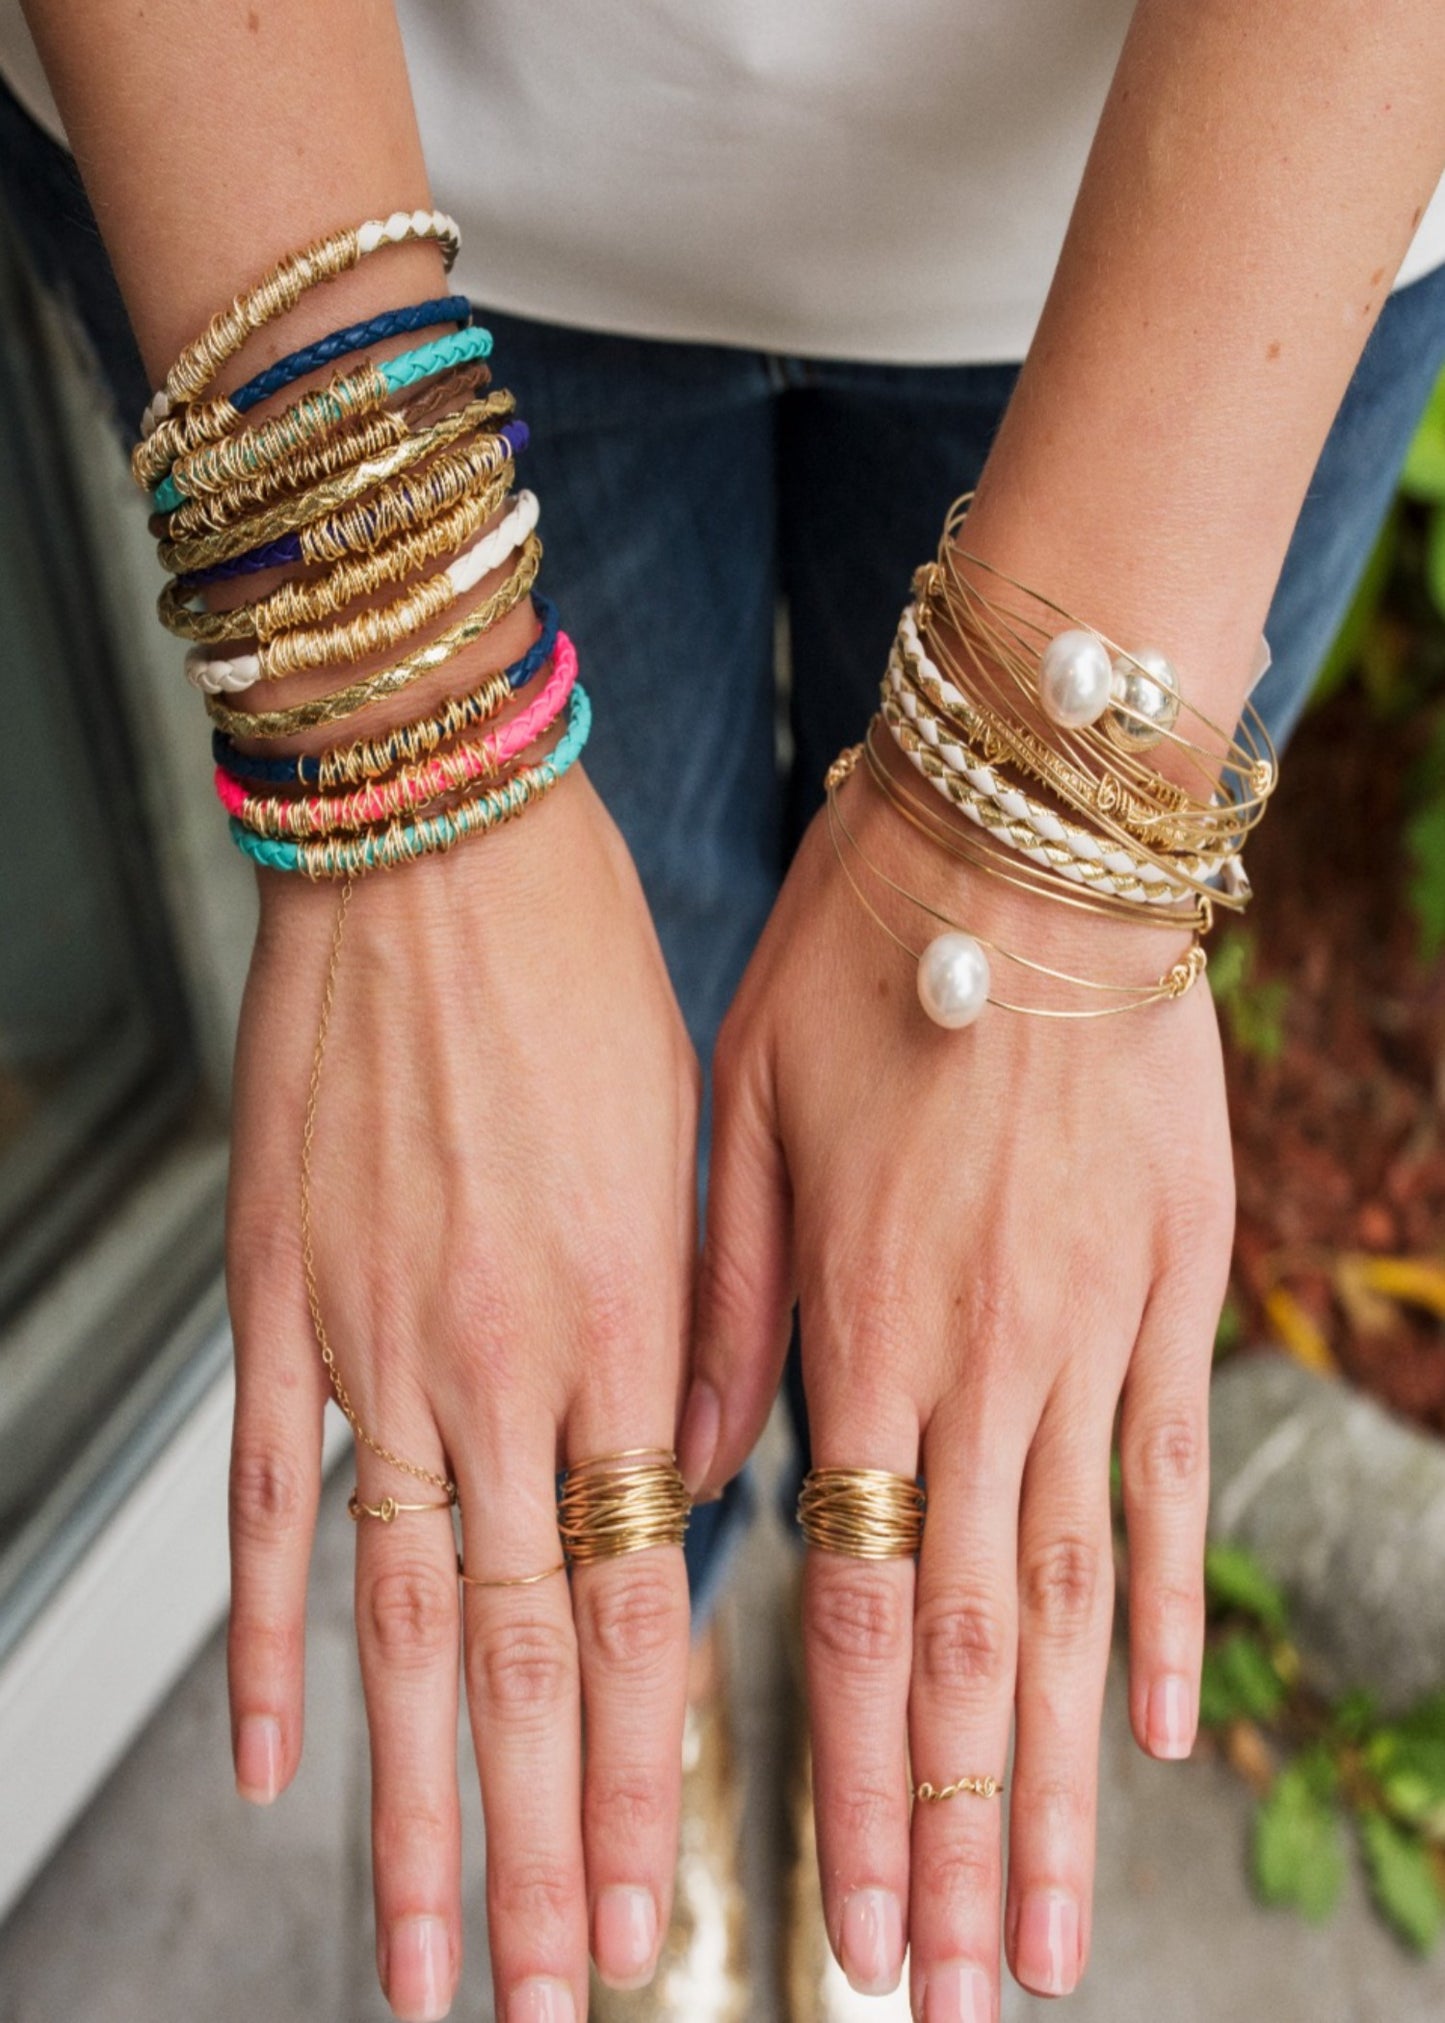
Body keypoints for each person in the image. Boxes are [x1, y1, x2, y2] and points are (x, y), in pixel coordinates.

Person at [4, 3, 1444, 2019]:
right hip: (360, 152)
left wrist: (1047, 844)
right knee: (566, 1226)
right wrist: (404, 739)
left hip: (1230, 175)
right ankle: (642, 1665)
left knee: (955, 1207)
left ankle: (847, 1666)